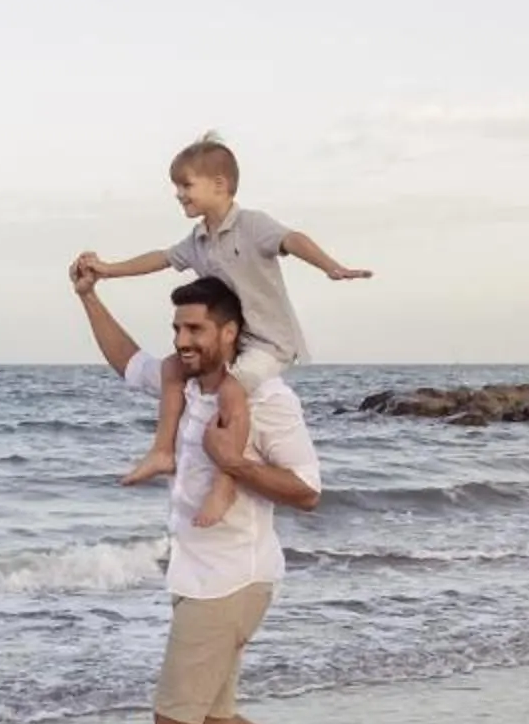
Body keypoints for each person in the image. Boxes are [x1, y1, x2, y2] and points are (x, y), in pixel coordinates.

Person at [70, 262, 348, 724]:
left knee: (174, 719)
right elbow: (127, 361)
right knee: (214, 720)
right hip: (199, 578)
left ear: (230, 332)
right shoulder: (188, 388)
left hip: (234, 579)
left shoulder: (267, 400)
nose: (182, 339)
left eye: (195, 328)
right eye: (176, 327)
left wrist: (236, 465)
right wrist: (89, 297)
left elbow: (307, 489)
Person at [72, 133, 371, 529]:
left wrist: (330, 266)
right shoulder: (198, 241)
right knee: (170, 371)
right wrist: (106, 273)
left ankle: (225, 483)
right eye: (176, 186)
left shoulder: (250, 225)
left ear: (220, 185)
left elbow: (292, 239)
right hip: (239, 344)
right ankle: (162, 451)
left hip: (269, 342)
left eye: (186, 185)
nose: (179, 194)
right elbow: (160, 259)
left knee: (232, 391)